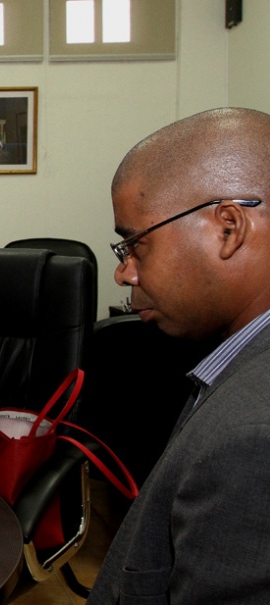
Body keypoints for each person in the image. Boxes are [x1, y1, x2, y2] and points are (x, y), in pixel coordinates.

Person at [90, 108, 270, 604]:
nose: (124, 274)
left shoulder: (254, 437)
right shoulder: (237, 364)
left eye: (134, 245)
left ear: (228, 228)